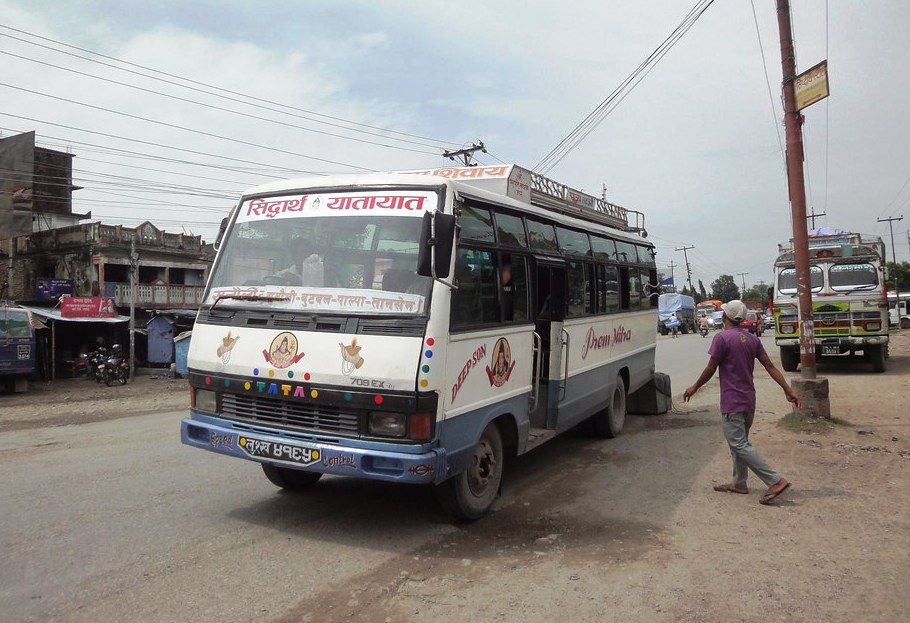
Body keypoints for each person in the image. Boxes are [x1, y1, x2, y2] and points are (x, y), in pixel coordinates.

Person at [683, 299, 800, 505]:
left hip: (732, 401)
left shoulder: (722, 339)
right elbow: (771, 367)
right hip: (749, 401)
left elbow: (710, 369)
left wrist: (694, 387)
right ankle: (739, 483)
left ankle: (775, 480)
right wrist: (787, 389)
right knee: (739, 443)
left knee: (738, 444)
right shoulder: (752, 339)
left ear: (725, 316)